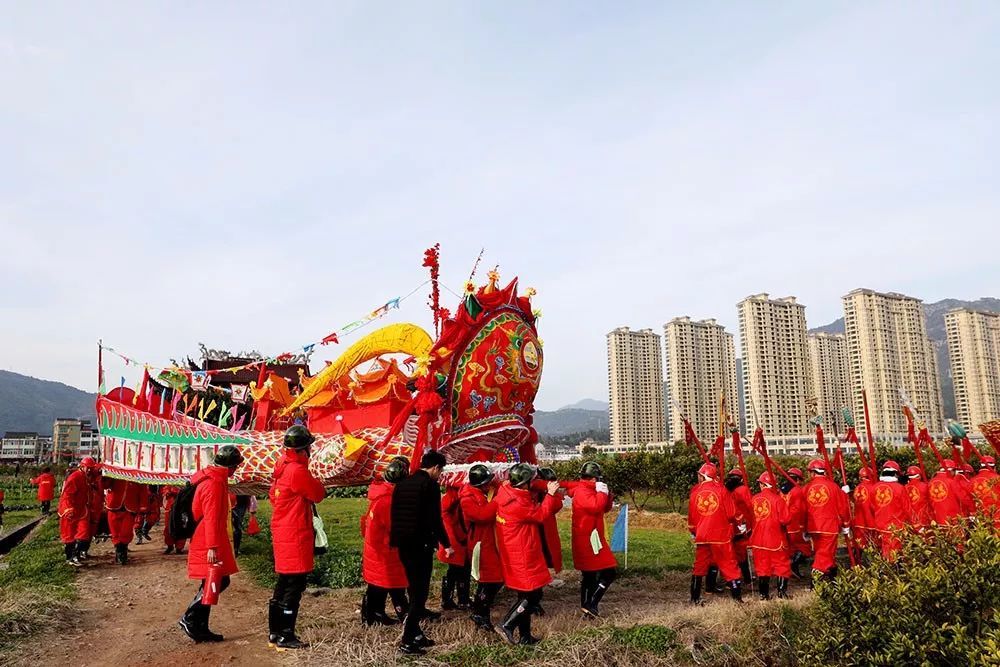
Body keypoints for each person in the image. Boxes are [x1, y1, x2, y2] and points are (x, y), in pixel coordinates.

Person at [267, 425, 327, 650]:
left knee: (284, 582)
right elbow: (317, 494)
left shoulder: (281, 467)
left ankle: (274, 632)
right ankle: (286, 635)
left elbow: (273, 497)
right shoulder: (297, 471)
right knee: (295, 586)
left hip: (283, 531)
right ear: (304, 449)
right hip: (296, 534)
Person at [178, 445, 244, 643]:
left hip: (206, 537)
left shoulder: (211, 479)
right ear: (230, 467)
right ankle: (190, 617)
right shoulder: (214, 484)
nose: (236, 470)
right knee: (219, 581)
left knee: (211, 582)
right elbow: (212, 519)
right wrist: (212, 548)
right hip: (208, 538)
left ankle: (200, 626)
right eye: (235, 466)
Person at [390, 450, 452, 655]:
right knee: (420, 594)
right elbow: (435, 519)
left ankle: (417, 634)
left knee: (413, 588)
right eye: (440, 471)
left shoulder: (402, 483)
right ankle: (408, 639)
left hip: (403, 544)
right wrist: (447, 544)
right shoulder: (430, 486)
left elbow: (395, 515)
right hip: (420, 545)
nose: (439, 475)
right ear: (435, 468)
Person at [494, 463, 562, 645]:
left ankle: (525, 636)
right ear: (524, 483)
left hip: (515, 551)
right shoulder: (518, 503)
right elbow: (541, 515)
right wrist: (551, 494)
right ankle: (507, 624)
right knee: (533, 596)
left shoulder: (507, 493)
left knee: (525, 595)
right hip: (523, 553)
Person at [360, 456, 410, 627]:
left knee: (377, 585)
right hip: (385, 549)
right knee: (395, 584)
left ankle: (373, 615)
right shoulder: (389, 501)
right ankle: (405, 616)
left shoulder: (380, 494)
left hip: (376, 547)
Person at [688, 462, 742, 604]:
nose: (698, 477)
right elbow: (731, 514)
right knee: (729, 565)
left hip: (702, 535)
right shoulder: (722, 490)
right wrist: (739, 524)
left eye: (699, 475)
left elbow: (692, 516)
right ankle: (737, 597)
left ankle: (694, 598)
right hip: (720, 535)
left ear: (703, 476)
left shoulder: (695, 492)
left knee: (699, 566)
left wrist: (694, 531)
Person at [569, 461, 617, 618]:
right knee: (609, 572)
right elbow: (596, 506)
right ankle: (592, 604)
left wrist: (607, 496)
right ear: (594, 478)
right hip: (589, 539)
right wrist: (602, 493)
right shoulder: (583, 492)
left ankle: (587, 608)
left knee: (589, 575)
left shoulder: (587, 489)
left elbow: (604, 508)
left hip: (592, 537)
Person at [459, 463, 503, 632]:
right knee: (489, 579)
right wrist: (498, 500)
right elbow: (482, 515)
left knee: (494, 578)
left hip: (487, 541)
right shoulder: (467, 498)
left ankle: (481, 610)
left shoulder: (478, 493)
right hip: (479, 543)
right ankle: (480, 612)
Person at [803, 459, 850, 581]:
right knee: (824, 553)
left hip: (813, 526)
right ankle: (817, 579)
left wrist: (804, 527)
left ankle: (831, 576)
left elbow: (801, 510)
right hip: (829, 526)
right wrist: (846, 524)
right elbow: (843, 507)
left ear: (813, 472)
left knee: (822, 552)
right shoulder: (833, 487)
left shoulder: (806, 488)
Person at [748, 471, 792, 600]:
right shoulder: (778, 499)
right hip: (775, 539)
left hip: (757, 540)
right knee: (782, 566)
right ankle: (781, 593)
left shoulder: (753, 499)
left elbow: (750, 519)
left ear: (762, 484)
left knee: (762, 568)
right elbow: (785, 519)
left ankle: (763, 595)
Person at [438, 476, 471, 611]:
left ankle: (448, 599)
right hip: (456, 540)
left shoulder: (448, 499)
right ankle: (461, 600)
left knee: (454, 571)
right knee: (462, 570)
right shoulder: (454, 500)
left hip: (451, 539)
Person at [58, 459, 97, 566]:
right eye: (87, 468)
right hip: (70, 510)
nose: (89, 470)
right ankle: (70, 557)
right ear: (82, 467)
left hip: (81, 509)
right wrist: (68, 509)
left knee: (83, 534)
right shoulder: (75, 477)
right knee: (69, 535)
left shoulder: (85, 477)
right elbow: (67, 495)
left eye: (91, 468)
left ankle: (76, 554)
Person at [869, 461, 911, 560]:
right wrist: (917, 526)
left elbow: (872, 507)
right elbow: (907, 508)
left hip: (880, 526)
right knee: (894, 553)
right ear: (896, 474)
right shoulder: (900, 488)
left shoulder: (874, 488)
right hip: (896, 527)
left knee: (884, 551)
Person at [779, 467, 811, 578]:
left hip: (784, 524)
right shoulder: (797, 491)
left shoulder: (781, 490)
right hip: (795, 524)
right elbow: (800, 510)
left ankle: (791, 569)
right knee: (805, 548)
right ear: (797, 479)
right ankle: (793, 565)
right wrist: (804, 526)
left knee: (791, 549)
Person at [724, 468, 754, 585]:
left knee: (734, 551)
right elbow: (749, 505)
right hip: (742, 523)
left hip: (731, 523)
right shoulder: (743, 489)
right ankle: (744, 578)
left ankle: (738, 577)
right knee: (741, 551)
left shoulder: (726, 490)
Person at [105, 479, 143, 565]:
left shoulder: (138, 473)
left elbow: (143, 489)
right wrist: (103, 476)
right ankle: (120, 552)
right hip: (114, 507)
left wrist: (143, 506)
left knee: (126, 532)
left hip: (130, 508)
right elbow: (104, 485)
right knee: (115, 533)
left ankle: (122, 551)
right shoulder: (113, 471)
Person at [928, 460, 969, 526]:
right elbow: (962, 498)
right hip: (953, 518)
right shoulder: (952, 482)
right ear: (951, 470)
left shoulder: (930, 482)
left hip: (938, 518)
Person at [851, 467, 876, 550]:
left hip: (859, 522)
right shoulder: (874, 487)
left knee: (859, 545)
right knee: (873, 545)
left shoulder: (857, 488)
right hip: (872, 521)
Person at [971, 456, 998, 526]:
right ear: (994, 466)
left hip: (980, 517)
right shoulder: (997, 478)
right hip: (997, 516)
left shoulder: (972, 481)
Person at [162, 485, 187, 555]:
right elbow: (165, 491)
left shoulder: (187, 481)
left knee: (181, 528)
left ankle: (179, 547)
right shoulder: (169, 482)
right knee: (168, 528)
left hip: (182, 508)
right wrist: (168, 492)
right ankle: (170, 546)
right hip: (170, 509)